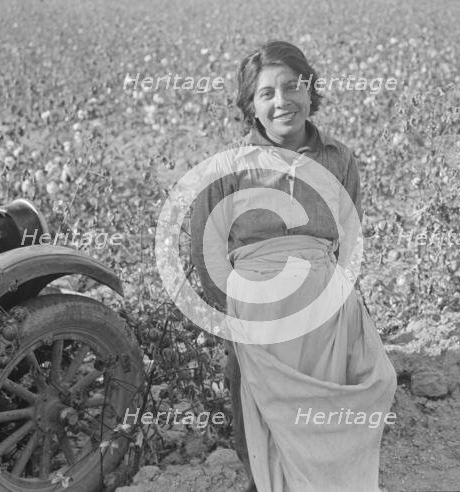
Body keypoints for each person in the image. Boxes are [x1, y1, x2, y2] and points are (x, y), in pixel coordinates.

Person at [190, 40, 397, 492]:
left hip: (326, 317)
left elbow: (350, 235)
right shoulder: (229, 169)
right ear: (251, 107)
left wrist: (335, 299)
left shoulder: (338, 159)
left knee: (362, 392)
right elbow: (205, 250)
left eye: (292, 87)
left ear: (310, 91)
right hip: (258, 319)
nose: (282, 101)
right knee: (262, 421)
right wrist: (238, 314)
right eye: (267, 94)